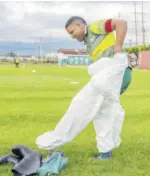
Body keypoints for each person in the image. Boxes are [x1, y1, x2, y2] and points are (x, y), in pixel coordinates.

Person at [36, 16, 133, 160]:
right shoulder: (88, 44)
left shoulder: (93, 28)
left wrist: (118, 47)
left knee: (82, 104)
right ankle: (105, 153)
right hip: (113, 76)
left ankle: (55, 139)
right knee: (103, 112)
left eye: (72, 31)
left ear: (80, 25)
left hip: (116, 74)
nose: (72, 36)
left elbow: (121, 23)